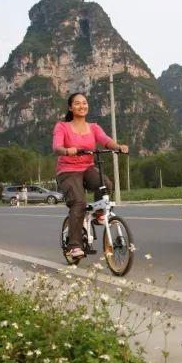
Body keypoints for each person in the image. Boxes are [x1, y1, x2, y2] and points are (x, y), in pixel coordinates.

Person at [53, 92, 129, 259]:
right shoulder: (62, 127)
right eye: (78, 103)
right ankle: (74, 246)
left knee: (106, 184)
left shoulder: (94, 127)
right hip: (67, 170)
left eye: (85, 103)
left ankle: (99, 213)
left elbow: (106, 140)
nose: (82, 106)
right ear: (70, 107)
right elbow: (56, 146)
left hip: (87, 167)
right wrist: (67, 150)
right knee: (79, 203)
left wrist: (118, 146)